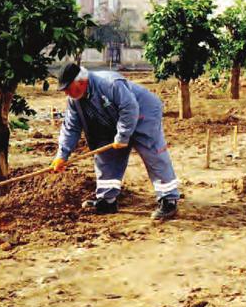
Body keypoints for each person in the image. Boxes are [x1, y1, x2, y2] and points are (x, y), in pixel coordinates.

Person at [51, 64, 181, 219]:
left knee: (152, 153)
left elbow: (130, 108)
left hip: (143, 113)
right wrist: (62, 155)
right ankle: (107, 200)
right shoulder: (74, 100)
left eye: (67, 88)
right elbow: (70, 128)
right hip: (110, 120)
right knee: (106, 156)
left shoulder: (110, 83)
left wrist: (123, 135)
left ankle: (168, 199)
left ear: (80, 82)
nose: (66, 92)